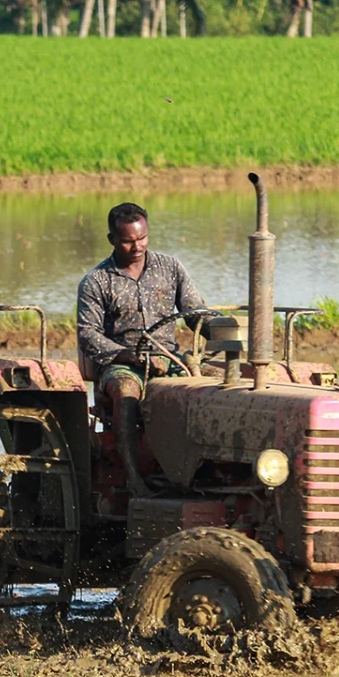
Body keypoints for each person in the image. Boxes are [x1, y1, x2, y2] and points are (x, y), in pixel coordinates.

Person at [76, 202, 209, 496]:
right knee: (126, 394)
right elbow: (88, 334)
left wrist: (219, 330)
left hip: (169, 358)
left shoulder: (171, 268)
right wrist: (126, 355)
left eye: (142, 238)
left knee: (206, 391)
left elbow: (195, 312)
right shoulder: (96, 281)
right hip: (122, 363)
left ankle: (196, 475)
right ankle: (134, 479)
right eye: (127, 240)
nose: (137, 246)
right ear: (111, 239)